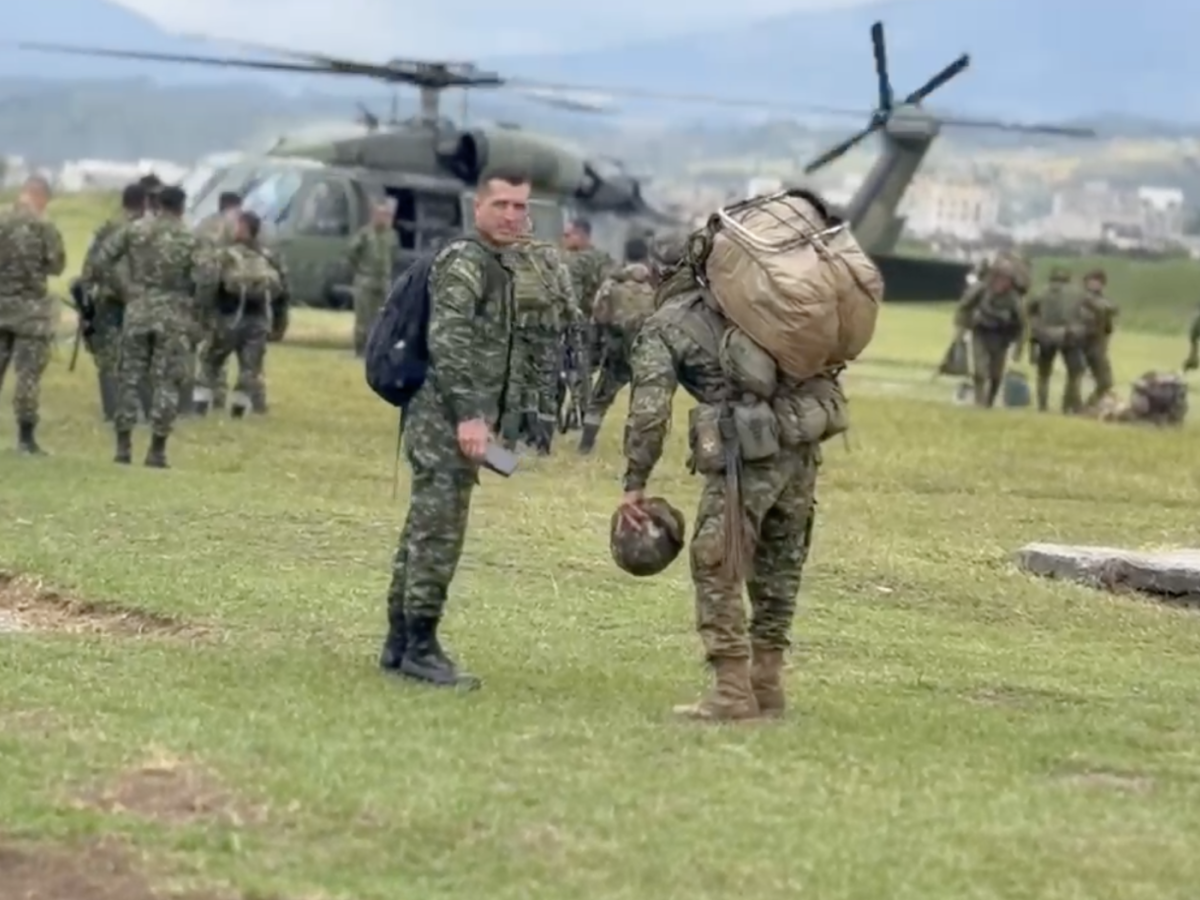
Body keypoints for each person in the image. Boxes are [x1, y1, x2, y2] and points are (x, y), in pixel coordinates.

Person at [616, 234, 825, 722]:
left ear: (656, 274)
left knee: (715, 562)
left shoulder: (664, 326)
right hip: (802, 442)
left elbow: (649, 412)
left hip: (745, 455)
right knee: (780, 564)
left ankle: (732, 691)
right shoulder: (754, 305)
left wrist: (634, 481)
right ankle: (767, 686)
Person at [379, 168, 527, 690]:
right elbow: (448, 340)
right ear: (478, 206)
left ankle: (399, 642)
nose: (512, 215)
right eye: (502, 204)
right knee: (439, 533)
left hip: (447, 418)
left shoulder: (489, 261)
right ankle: (421, 644)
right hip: (444, 422)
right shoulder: (467, 261)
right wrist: (469, 414)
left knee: (423, 528)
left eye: (520, 206)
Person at [92, 185, 201, 468]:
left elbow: (101, 260)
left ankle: (123, 447)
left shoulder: (135, 230)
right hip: (173, 314)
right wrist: (194, 306)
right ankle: (157, 450)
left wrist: (125, 288)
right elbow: (207, 277)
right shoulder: (191, 237)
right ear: (181, 207)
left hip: (138, 309)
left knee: (130, 375)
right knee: (166, 380)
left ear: (156, 205)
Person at [194, 211, 289, 417]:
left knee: (210, 362)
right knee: (250, 368)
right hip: (258, 320)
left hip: (227, 317)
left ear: (243, 229)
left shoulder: (224, 255)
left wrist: (204, 314)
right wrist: (279, 324)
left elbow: (207, 285)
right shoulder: (268, 257)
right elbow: (283, 292)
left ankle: (200, 407)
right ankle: (239, 410)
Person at [0, 176, 66, 454]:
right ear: (41, 197)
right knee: (27, 376)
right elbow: (56, 266)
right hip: (31, 313)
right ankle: (26, 439)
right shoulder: (45, 227)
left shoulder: (2, 221)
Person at [578, 236, 657, 454]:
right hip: (645, 351)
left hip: (616, 350)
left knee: (599, 400)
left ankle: (586, 445)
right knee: (638, 403)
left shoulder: (613, 283)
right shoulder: (654, 285)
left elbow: (598, 315)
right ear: (646, 256)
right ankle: (630, 448)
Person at [79, 182, 145, 422]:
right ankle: (139, 408)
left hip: (106, 298)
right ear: (143, 203)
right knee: (138, 353)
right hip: (133, 298)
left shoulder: (106, 227)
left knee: (108, 356)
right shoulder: (139, 229)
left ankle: (113, 408)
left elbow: (90, 265)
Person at [190, 191, 242, 411]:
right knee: (220, 344)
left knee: (206, 344)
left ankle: (201, 393)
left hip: (203, 286)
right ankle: (218, 395)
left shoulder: (203, 225)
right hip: (225, 291)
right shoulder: (234, 226)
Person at [952, 258, 1025, 407]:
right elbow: (964, 307)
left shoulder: (1014, 299)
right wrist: (961, 329)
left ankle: (989, 401)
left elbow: (1022, 324)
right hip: (981, 333)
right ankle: (980, 401)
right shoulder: (981, 290)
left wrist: (1019, 347)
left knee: (996, 375)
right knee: (980, 371)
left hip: (1001, 338)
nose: (1001, 282)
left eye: (1005, 279)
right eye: (998, 277)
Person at [562, 218, 614, 407]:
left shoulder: (574, 261)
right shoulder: (604, 258)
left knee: (575, 366)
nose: (564, 239)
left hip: (578, 321)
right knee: (585, 366)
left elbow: (571, 297)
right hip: (599, 322)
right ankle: (582, 406)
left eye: (568, 235)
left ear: (581, 235)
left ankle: (578, 408)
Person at [1025, 266, 1086, 413]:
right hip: (1068, 335)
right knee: (1075, 371)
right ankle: (1067, 405)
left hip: (1045, 335)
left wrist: (1036, 329)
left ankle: (1042, 406)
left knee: (1044, 373)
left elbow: (1029, 309)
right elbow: (1084, 313)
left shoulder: (1041, 292)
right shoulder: (1077, 293)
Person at [346, 198, 400, 357]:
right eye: (380, 214)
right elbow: (351, 253)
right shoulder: (365, 234)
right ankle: (360, 349)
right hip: (365, 280)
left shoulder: (392, 236)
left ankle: (378, 349)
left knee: (382, 317)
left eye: (386, 215)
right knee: (363, 317)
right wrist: (360, 271)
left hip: (383, 281)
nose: (383, 218)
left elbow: (394, 255)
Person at [1077, 268, 1117, 409]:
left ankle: (1090, 404)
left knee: (1105, 381)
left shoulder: (1103, 300)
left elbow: (1112, 310)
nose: (1094, 285)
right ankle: (1074, 405)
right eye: (1091, 281)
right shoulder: (1079, 298)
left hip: (1098, 344)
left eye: (1097, 282)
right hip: (1080, 342)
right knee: (1076, 376)